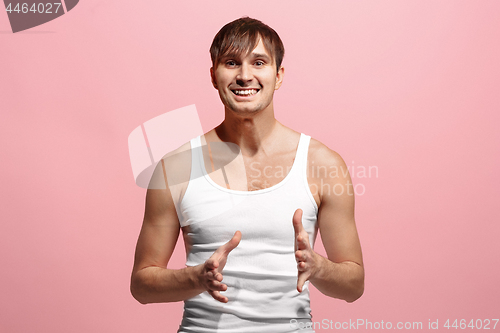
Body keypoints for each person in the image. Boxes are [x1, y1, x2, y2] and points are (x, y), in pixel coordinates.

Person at [130, 17, 364, 333]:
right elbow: (142, 285)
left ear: (278, 75)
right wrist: (195, 278)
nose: (244, 76)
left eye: (259, 62)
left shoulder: (323, 164)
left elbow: (353, 286)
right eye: (231, 63)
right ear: (214, 75)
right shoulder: (176, 168)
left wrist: (319, 267)